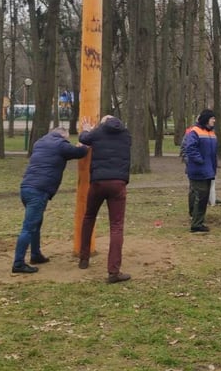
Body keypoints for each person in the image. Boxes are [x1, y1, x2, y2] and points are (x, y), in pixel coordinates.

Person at [12, 126, 88, 274]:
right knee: (28, 227)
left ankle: (35, 254)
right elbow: (81, 152)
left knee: (36, 224)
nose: (66, 141)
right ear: (63, 135)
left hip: (26, 187)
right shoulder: (60, 144)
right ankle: (18, 263)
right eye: (66, 138)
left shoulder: (39, 143)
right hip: (39, 190)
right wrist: (84, 144)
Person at [78, 114, 132, 283]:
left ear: (103, 123)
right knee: (116, 226)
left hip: (98, 182)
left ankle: (84, 258)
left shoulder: (98, 132)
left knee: (88, 217)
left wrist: (88, 129)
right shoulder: (126, 134)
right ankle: (113, 272)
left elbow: (83, 138)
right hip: (118, 183)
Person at [184, 108, 218, 233]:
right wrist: (200, 161)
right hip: (198, 170)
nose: (214, 120)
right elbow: (190, 148)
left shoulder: (212, 133)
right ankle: (196, 224)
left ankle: (198, 220)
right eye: (212, 118)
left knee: (202, 196)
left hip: (208, 170)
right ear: (207, 119)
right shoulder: (195, 131)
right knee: (201, 196)